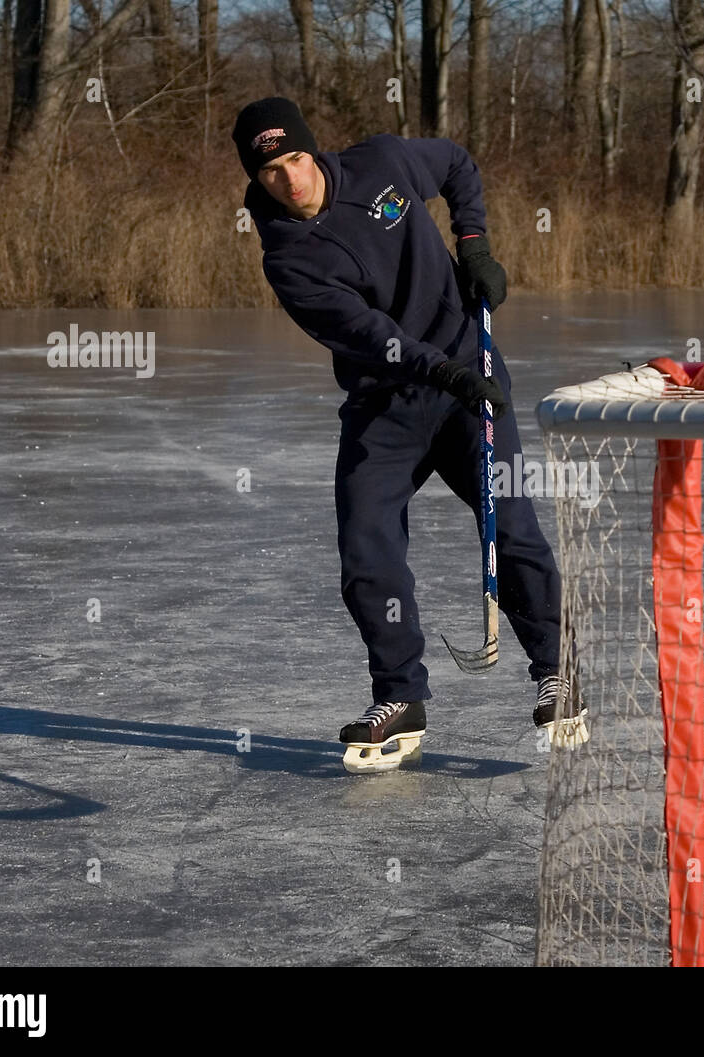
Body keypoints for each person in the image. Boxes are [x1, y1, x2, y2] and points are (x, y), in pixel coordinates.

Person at [231, 98, 585, 772]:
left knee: (508, 524)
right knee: (366, 544)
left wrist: (474, 242)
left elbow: (456, 164)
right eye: (272, 171)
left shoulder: (382, 164)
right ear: (257, 178)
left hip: (469, 374)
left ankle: (557, 670)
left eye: (297, 159)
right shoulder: (289, 260)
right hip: (386, 400)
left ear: (314, 150)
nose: (291, 180)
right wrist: (438, 368)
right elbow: (370, 336)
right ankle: (399, 695)